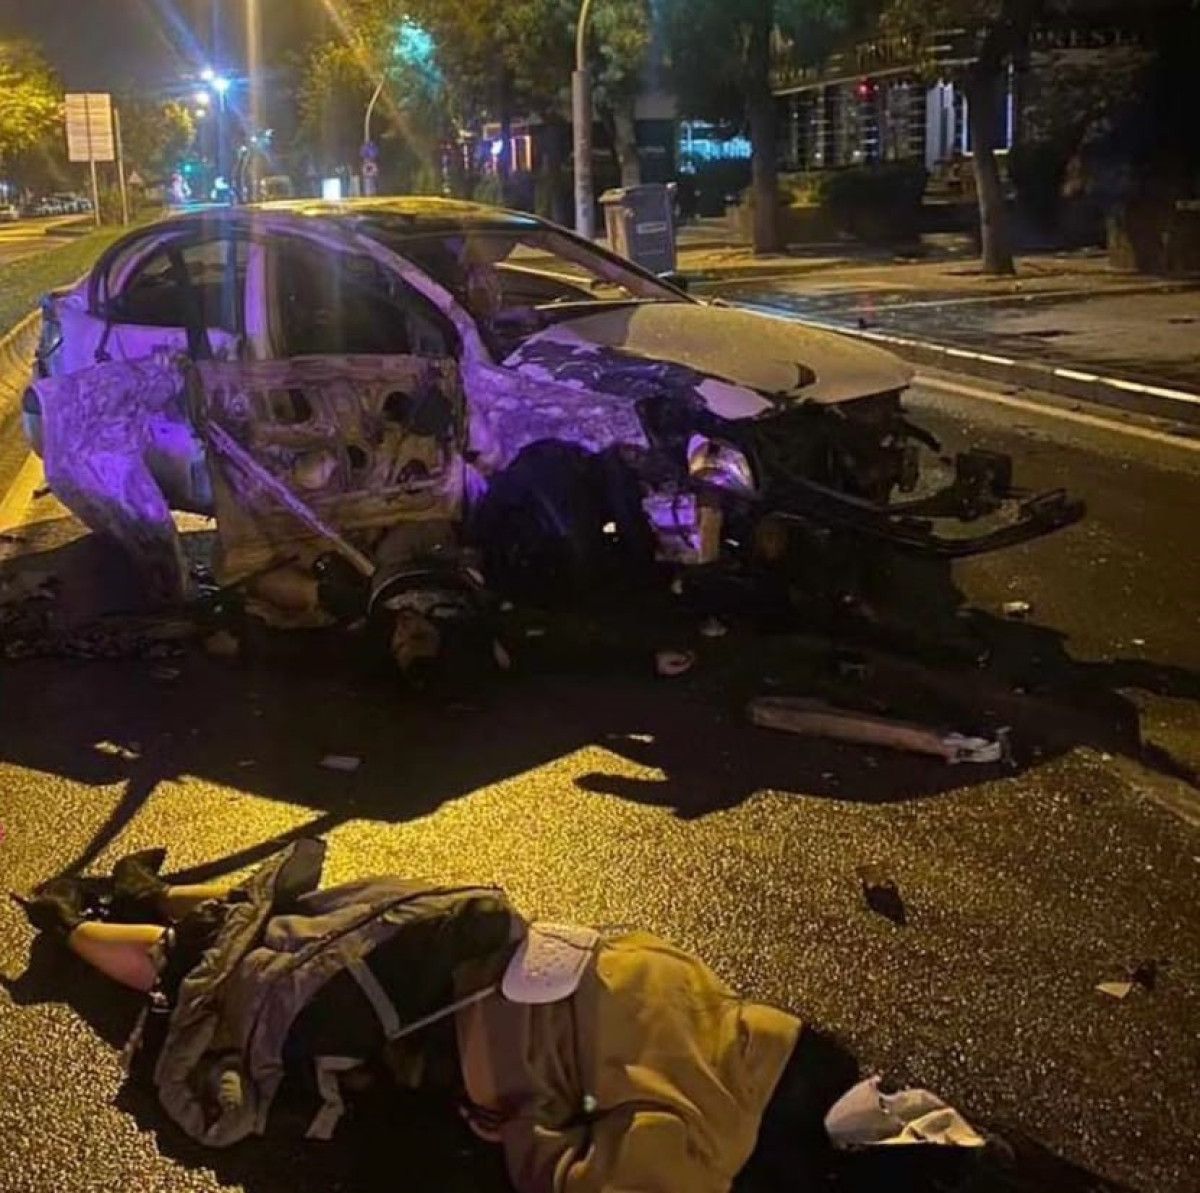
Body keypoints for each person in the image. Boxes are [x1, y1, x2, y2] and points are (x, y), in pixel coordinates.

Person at [15, 842, 1001, 1192]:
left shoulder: (725, 1018)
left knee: (283, 932)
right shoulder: (701, 1137)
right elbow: (562, 1174)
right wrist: (526, 1127)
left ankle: (120, 911)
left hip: (454, 937)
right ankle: (79, 931)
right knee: (225, 991)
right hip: (429, 1016)